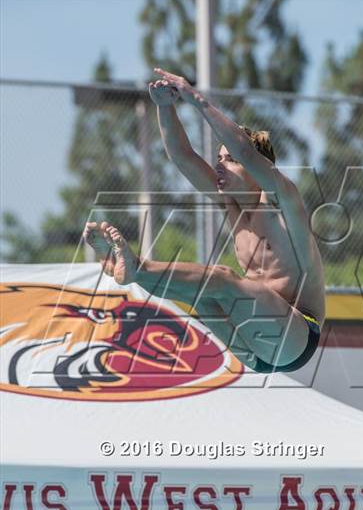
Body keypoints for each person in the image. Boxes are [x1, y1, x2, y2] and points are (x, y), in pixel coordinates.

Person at [84, 67, 325, 373]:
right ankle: (131, 271)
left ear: (259, 168)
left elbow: (246, 151)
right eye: (219, 158)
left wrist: (197, 99)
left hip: (297, 337)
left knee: (223, 277)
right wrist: (164, 106)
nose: (219, 165)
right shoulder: (231, 205)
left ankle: (138, 268)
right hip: (254, 351)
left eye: (230, 160)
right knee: (197, 294)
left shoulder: (282, 201)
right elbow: (183, 156)